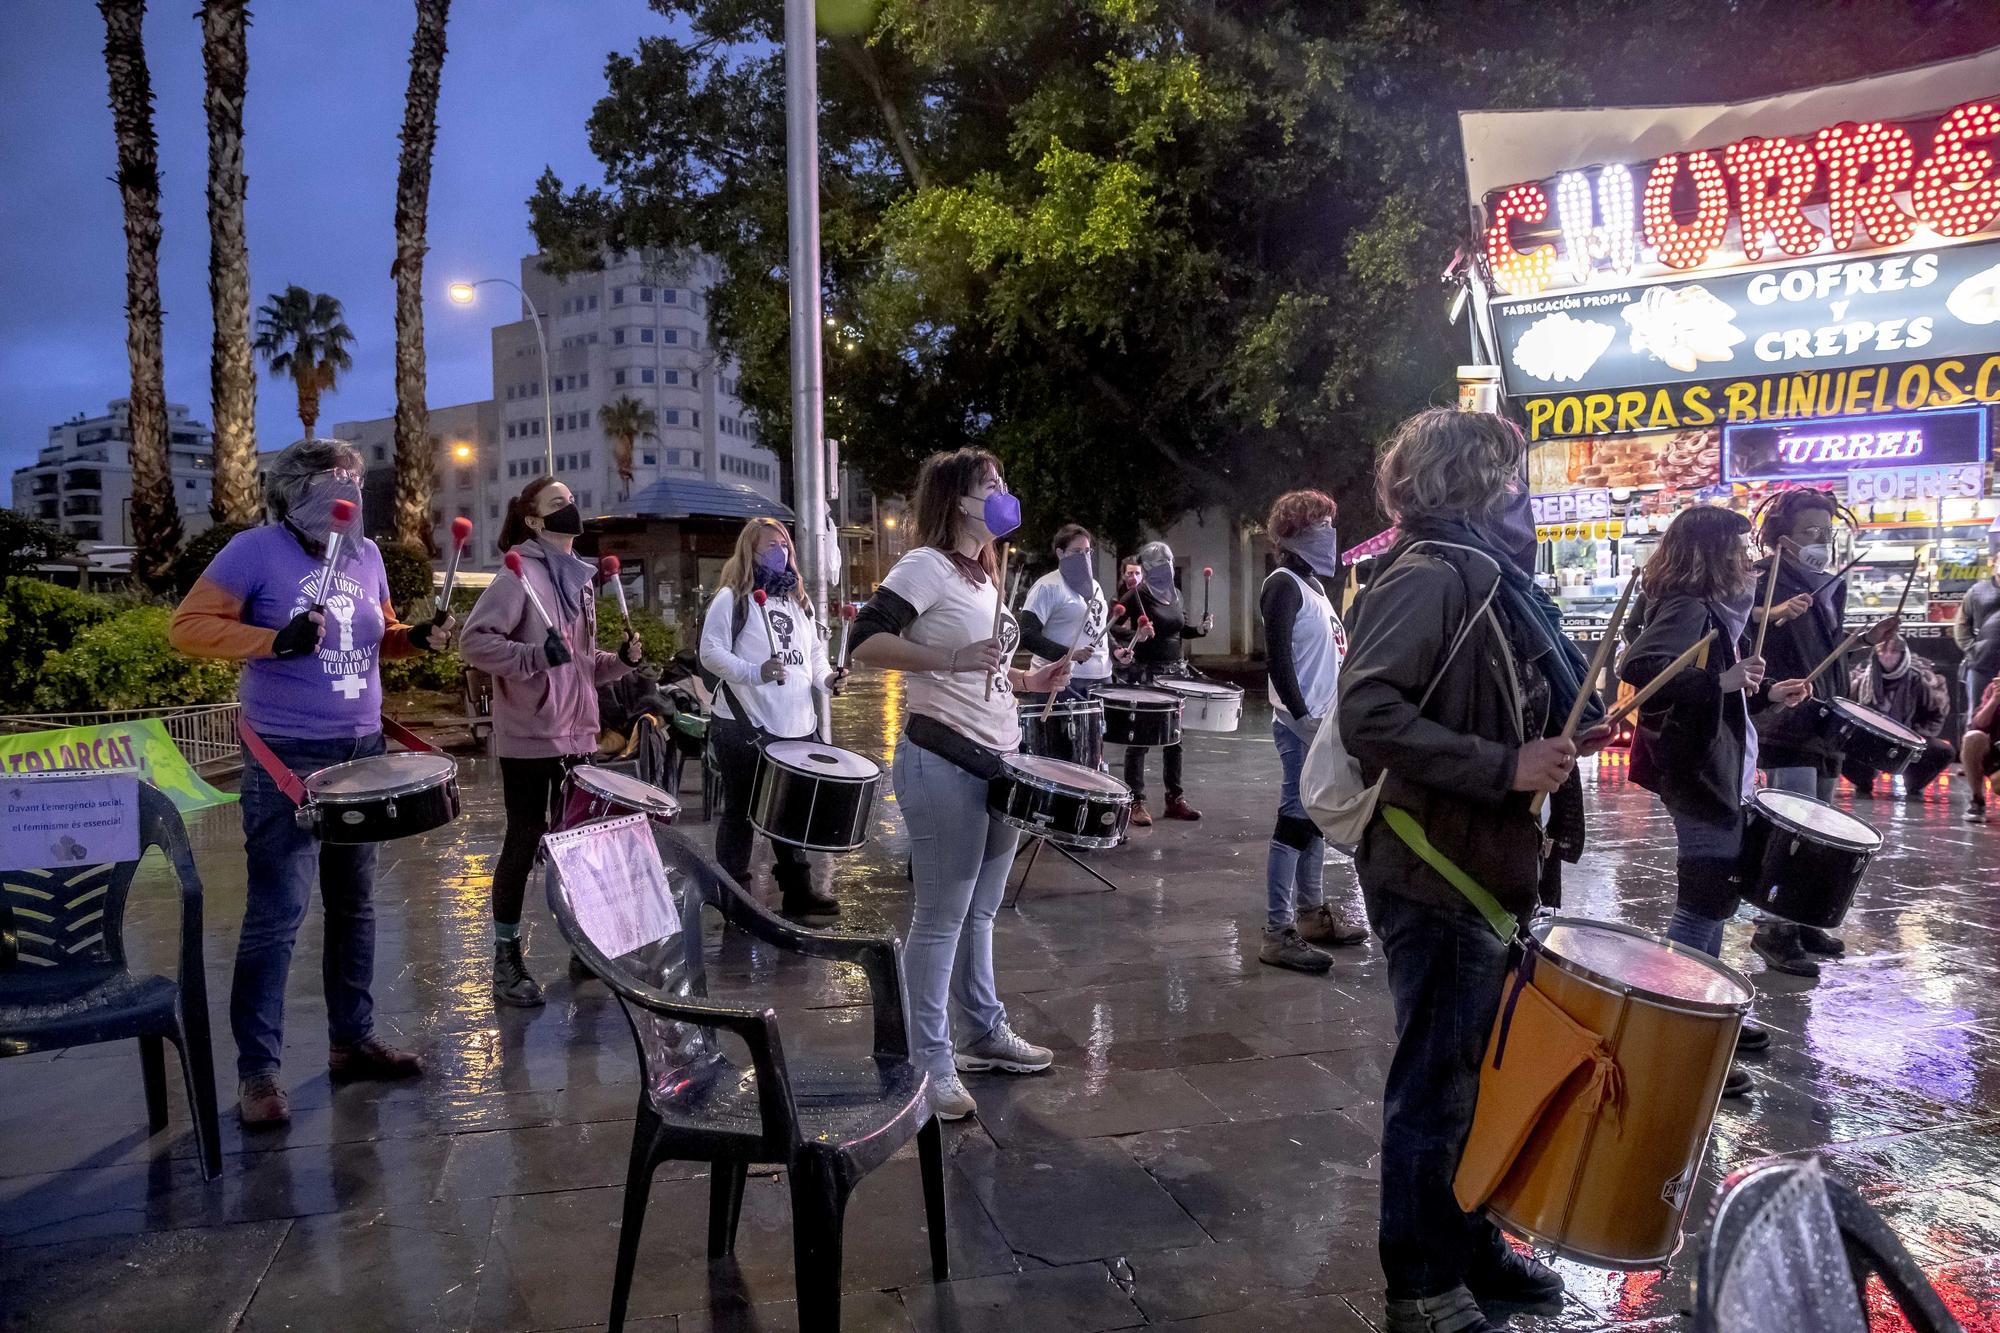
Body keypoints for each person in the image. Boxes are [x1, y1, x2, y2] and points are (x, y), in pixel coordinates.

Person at [1339, 409, 1608, 1333]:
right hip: (1435, 865)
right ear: (1473, 481)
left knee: (1481, 1078)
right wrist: (1506, 767)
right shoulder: (1427, 575)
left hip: (1487, 860)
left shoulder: (1491, 579)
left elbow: (1496, 695)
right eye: (1509, 479)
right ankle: (1418, 1280)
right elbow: (1368, 715)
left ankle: (1468, 1240)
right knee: (1437, 1084)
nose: (1519, 496)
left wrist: (1563, 729)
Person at [170, 437, 452, 1127]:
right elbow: (189, 626)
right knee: (277, 913)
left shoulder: (367, 554)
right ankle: (258, 1072)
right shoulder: (254, 550)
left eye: (355, 477)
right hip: (286, 754)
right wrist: (273, 640)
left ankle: (351, 1039)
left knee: (356, 904)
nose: (348, 488)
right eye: (334, 477)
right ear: (293, 488)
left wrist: (414, 637)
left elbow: (375, 632)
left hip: (362, 747)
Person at [848, 448, 1072, 1122]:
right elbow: (863, 640)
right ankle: (928, 1061)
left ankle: (982, 1033)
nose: (1005, 494)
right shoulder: (925, 565)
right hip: (941, 759)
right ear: (957, 498)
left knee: (979, 911)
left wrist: (1030, 681)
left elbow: (986, 667)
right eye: (992, 485)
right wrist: (947, 656)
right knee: (942, 917)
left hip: (997, 761)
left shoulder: (986, 575)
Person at [1619, 506, 1811, 1098]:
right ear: (1712, 554)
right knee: (1703, 901)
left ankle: (1703, 1012)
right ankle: (1678, 1027)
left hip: (1714, 765)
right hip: (1701, 772)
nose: (1749, 560)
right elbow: (1641, 667)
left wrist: (1765, 694)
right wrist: (1721, 683)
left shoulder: (1710, 610)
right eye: (1738, 549)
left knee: (1715, 894)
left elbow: (1714, 694)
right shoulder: (1689, 606)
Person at [460, 478, 642, 1007]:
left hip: (578, 733)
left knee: (581, 846)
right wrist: (534, 659)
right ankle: (506, 958)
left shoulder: (580, 580)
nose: (571, 507)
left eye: (572, 497)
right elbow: (476, 643)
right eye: (557, 503)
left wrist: (621, 663)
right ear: (535, 522)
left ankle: (583, 946)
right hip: (531, 737)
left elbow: (580, 666)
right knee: (524, 841)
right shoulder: (519, 574)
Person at [698, 517, 846, 916]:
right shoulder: (732, 598)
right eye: (770, 545)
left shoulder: (798, 601)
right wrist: (754, 672)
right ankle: (736, 898)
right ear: (750, 551)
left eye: (785, 544)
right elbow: (710, 652)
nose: (781, 551)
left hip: (794, 723)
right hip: (744, 723)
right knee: (742, 811)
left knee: (790, 810)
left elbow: (813, 654)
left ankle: (797, 890)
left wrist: (829, 679)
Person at [1745, 488, 1854, 977]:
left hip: (1826, 715)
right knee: (1795, 825)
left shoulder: (1829, 583)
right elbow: (1741, 634)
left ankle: (1803, 917)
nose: (1819, 541)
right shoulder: (1761, 580)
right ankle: (1774, 927)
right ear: (1781, 538)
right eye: (1810, 531)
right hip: (1786, 717)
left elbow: (1829, 645)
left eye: (1826, 533)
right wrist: (1769, 614)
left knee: (1824, 825)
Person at [1257, 489, 1366, 973]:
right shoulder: (1282, 584)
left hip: (1323, 724)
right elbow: (1279, 659)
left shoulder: (1315, 588)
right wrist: (1301, 718)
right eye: (1321, 524)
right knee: (1295, 818)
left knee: (1314, 817)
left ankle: (1311, 914)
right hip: (1300, 724)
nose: (1330, 533)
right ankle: (1278, 930)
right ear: (1296, 533)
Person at [1112, 540, 1211, 824]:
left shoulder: (1175, 594)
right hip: (1146, 673)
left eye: (1168, 562)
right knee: (1139, 738)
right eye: (1159, 564)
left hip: (1176, 673)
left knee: (1175, 739)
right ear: (1148, 568)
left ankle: (1174, 799)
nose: (1166, 567)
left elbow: (1179, 630)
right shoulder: (1136, 594)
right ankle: (1136, 801)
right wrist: (1135, 634)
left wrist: (1200, 630)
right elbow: (1111, 627)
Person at [1844, 633, 1953, 800]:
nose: (1887, 656)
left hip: (1909, 741)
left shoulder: (1921, 679)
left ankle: (1914, 784)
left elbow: (1937, 713)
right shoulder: (1861, 680)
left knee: (1943, 751)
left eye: (1894, 652)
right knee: (1839, 745)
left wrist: (1916, 736)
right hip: (1870, 739)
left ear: (1903, 654)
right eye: (1882, 652)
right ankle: (1863, 782)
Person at [1017, 524, 1116, 702]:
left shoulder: (1095, 586)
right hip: (1060, 681)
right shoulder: (1047, 586)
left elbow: (1098, 626)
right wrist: (1069, 654)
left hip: (1101, 679)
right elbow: (1027, 634)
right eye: (1077, 551)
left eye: (1087, 551)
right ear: (1060, 553)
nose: (1084, 557)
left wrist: (1116, 651)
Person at [1956, 562, 2000, 725]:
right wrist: (1972, 649)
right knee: (1976, 715)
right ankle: (1972, 749)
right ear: (1995, 564)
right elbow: (1961, 624)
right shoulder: (1977, 591)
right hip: (1982, 663)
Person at [1962, 679, 2000, 824]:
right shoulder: (1994, 687)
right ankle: (1977, 800)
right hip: (1997, 750)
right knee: (1973, 738)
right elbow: (1978, 725)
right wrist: (1994, 700)